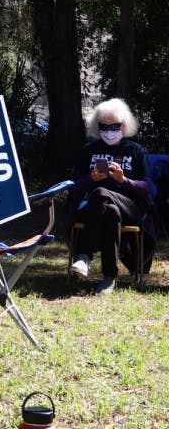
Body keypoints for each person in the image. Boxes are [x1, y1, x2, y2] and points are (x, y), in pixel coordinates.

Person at [68, 98, 155, 294]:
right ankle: (109, 278)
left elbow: (146, 187)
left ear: (124, 126)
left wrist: (124, 180)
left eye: (115, 126)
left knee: (101, 195)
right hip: (98, 208)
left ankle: (84, 255)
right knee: (108, 209)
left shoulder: (135, 151)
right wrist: (91, 178)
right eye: (104, 127)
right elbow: (73, 187)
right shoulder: (88, 151)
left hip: (130, 206)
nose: (109, 131)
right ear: (97, 128)